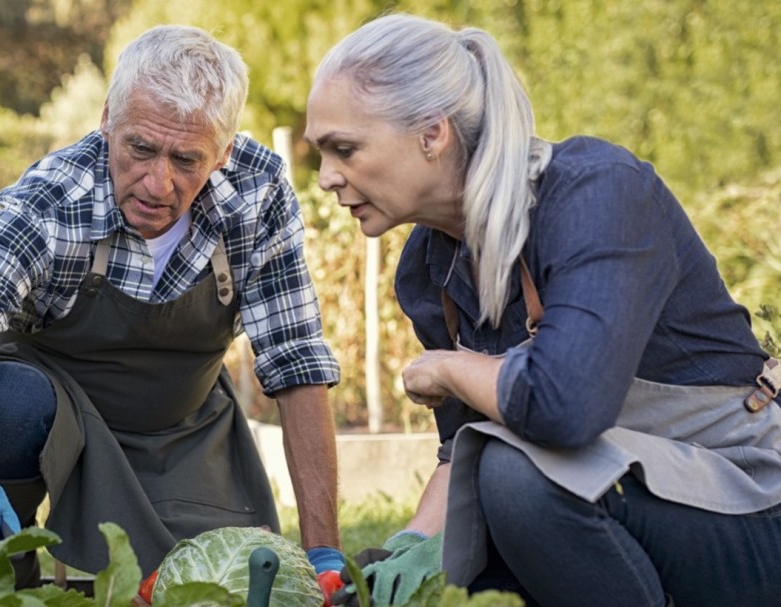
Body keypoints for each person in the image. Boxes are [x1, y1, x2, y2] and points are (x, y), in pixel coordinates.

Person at [305, 13, 781, 607]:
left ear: (432, 133)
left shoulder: (597, 193)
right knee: (457, 551)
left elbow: (565, 405)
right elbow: (464, 452)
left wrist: (449, 368)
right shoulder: (427, 269)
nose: (326, 177)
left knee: (515, 480)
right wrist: (404, 558)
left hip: (746, 496)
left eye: (343, 149)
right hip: (619, 498)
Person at [0, 24, 346, 590]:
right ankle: (5, 576)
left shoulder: (257, 191)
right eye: (140, 149)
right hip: (56, 418)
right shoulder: (54, 201)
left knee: (208, 589)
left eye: (186, 159)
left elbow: (296, 362)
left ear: (224, 152)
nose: (158, 183)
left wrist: (325, 551)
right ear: (108, 118)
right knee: (5, 403)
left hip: (184, 428)